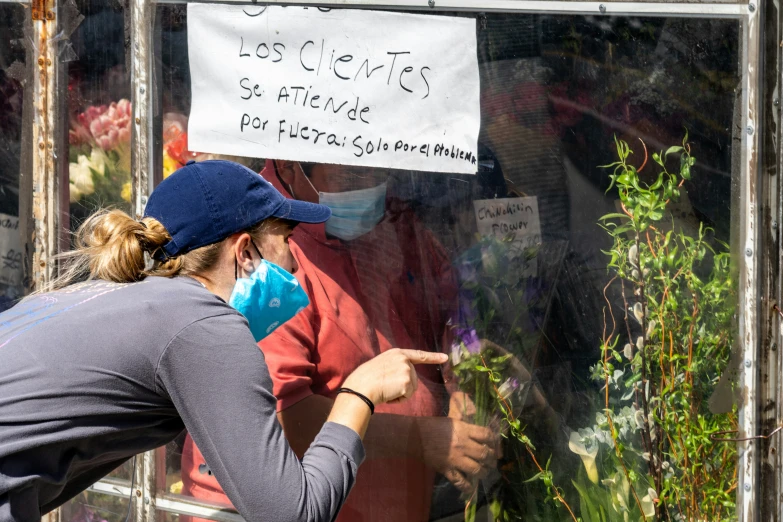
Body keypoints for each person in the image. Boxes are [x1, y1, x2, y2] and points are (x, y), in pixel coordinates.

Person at [0, 160, 447, 522]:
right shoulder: (203, 326)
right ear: (245, 251)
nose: (294, 264)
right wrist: (359, 393)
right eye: (287, 240)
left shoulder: (122, 300)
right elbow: (293, 513)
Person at [181, 160, 499, 522]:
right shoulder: (266, 252)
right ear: (290, 164)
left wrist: (463, 384)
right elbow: (280, 417)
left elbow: (449, 303)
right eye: (352, 174)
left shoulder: (395, 220)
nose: (370, 184)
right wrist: (419, 438)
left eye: (379, 169)